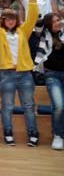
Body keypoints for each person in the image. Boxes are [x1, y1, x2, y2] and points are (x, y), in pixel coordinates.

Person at [0, 0, 40, 147]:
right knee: (7, 106)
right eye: (7, 19)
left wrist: (32, 0)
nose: (10, 21)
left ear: (16, 20)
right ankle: (8, 132)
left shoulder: (23, 32)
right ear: (3, 21)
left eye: (12, 19)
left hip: (25, 74)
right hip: (6, 74)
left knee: (29, 105)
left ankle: (33, 133)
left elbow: (32, 19)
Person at [34, 13, 64, 150]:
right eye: (54, 21)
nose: (58, 22)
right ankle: (57, 135)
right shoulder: (44, 35)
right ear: (49, 25)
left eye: (59, 20)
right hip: (52, 75)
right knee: (58, 106)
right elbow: (38, 25)